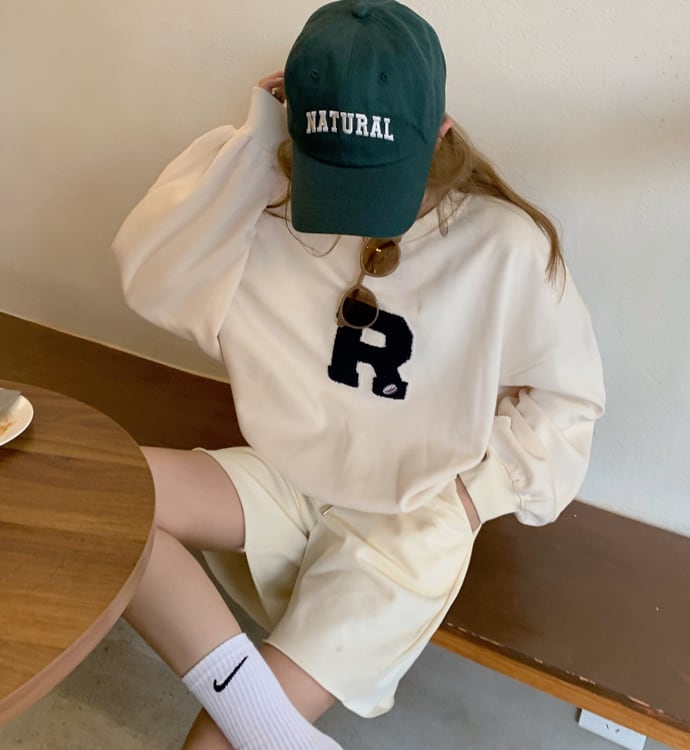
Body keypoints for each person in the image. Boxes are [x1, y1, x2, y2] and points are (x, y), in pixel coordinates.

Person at [112, 0, 606, 748]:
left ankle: (259, 724)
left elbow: (569, 403)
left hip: (405, 525)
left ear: (441, 132)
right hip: (285, 479)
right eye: (333, 178)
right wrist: (256, 141)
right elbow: (153, 281)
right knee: (103, 496)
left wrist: (472, 497)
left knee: (214, 744)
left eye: (378, 182)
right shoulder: (267, 207)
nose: (356, 212)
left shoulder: (504, 247)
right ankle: (270, 724)